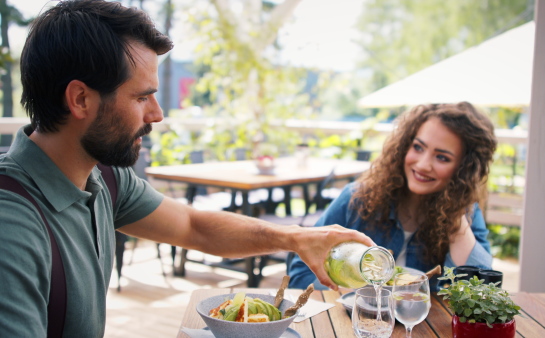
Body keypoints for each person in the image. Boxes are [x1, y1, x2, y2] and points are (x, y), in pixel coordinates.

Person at [0, 1, 374, 337]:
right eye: (142, 97)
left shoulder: (105, 178)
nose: (157, 114)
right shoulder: (11, 225)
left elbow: (194, 227)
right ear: (81, 99)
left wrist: (293, 238)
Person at [288, 102, 497, 290]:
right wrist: (353, 293)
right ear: (404, 147)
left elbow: (481, 294)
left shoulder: (466, 215)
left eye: (442, 157)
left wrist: (454, 216)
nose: (423, 165)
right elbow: (300, 273)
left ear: (463, 169)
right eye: (418, 147)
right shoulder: (357, 199)